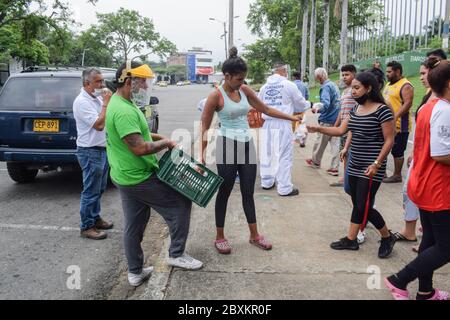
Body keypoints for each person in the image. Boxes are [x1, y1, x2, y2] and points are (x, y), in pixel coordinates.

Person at [106, 61, 203, 287]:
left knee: (135, 223)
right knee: (180, 202)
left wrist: (157, 137)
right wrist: (167, 142)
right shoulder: (122, 111)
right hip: (137, 177)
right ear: (129, 82)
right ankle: (176, 254)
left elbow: (142, 133)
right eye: (142, 84)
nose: (144, 89)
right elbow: (139, 147)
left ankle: (135, 272)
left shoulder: (120, 102)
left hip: (124, 175)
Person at [200, 48, 302, 254]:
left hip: (247, 144)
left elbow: (265, 109)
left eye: (243, 79)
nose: (241, 82)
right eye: (238, 79)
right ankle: (220, 236)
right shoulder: (215, 97)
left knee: (248, 191)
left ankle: (254, 235)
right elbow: (205, 126)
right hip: (227, 145)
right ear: (227, 76)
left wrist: (291, 117)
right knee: (225, 191)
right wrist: (202, 157)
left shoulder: (245, 91)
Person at [307, 72, 397, 258]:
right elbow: (341, 129)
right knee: (358, 203)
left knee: (363, 205)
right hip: (354, 164)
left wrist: (377, 163)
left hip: (370, 167)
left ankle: (383, 237)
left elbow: (389, 140)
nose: (352, 91)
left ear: (369, 88)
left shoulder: (383, 110)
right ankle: (354, 239)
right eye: (352, 88)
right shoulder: (356, 109)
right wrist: (318, 128)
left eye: (356, 88)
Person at [385, 60, 450, 301]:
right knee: (446, 247)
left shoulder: (429, 106)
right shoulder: (444, 110)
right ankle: (399, 279)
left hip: (425, 183)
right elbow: (441, 154)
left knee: (431, 241)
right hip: (438, 188)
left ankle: (425, 292)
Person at [393, 58, 439, 245]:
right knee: (410, 190)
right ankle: (413, 231)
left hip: (431, 156)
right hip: (422, 153)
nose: (421, 77)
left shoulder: (440, 100)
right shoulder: (430, 95)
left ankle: (430, 239)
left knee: (424, 195)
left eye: (423, 73)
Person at [259, 63, 312, 196]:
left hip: (267, 123)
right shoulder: (289, 85)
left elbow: (259, 104)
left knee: (268, 153)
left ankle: (267, 182)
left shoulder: (264, 87)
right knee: (284, 155)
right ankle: (284, 188)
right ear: (283, 71)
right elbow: (300, 104)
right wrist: (310, 104)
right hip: (282, 123)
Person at [73, 68, 114, 240]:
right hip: (90, 151)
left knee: (100, 188)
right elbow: (98, 125)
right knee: (90, 190)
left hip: (101, 149)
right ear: (87, 84)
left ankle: (95, 218)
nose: (102, 85)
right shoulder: (82, 102)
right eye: (98, 82)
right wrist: (106, 103)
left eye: (102, 81)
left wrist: (106, 101)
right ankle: (86, 226)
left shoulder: (95, 98)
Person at [383, 61, 414, 183]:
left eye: (389, 72)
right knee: (384, 148)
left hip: (401, 125)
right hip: (387, 124)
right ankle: (382, 172)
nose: (387, 74)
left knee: (397, 151)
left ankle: (397, 175)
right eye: (387, 72)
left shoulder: (405, 85)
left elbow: (408, 104)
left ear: (398, 71)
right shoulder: (389, 84)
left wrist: (395, 117)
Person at [306, 68, 341, 177]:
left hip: (327, 119)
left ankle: (316, 161)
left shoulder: (325, 87)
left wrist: (317, 109)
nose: (317, 80)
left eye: (317, 78)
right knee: (335, 144)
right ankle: (334, 167)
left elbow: (325, 104)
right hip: (337, 118)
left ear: (320, 76)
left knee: (320, 142)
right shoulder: (334, 85)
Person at [330, 64, 358, 188]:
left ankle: (348, 178)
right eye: (343, 75)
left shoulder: (356, 90)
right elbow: (341, 111)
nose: (344, 77)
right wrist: (335, 127)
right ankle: (346, 177)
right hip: (344, 129)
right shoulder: (345, 91)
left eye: (347, 74)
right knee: (344, 154)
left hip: (353, 128)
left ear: (354, 74)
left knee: (350, 154)